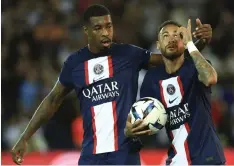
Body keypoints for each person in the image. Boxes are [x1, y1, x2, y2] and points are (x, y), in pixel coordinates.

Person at [11, 4, 213, 165]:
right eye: (98, 28)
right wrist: (25, 137)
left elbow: (170, 60)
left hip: (125, 155)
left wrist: (197, 44)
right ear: (86, 31)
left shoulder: (128, 54)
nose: (106, 32)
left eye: (109, 26)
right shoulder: (74, 64)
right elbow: (53, 99)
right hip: (91, 156)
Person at [125, 19, 225, 165]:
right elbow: (146, 125)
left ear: (183, 40)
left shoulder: (195, 66)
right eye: (165, 36)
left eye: (177, 35)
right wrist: (131, 133)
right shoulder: (152, 79)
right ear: (158, 45)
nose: (171, 39)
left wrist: (191, 44)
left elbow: (210, 78)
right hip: (176, 160)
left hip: (207, 158)